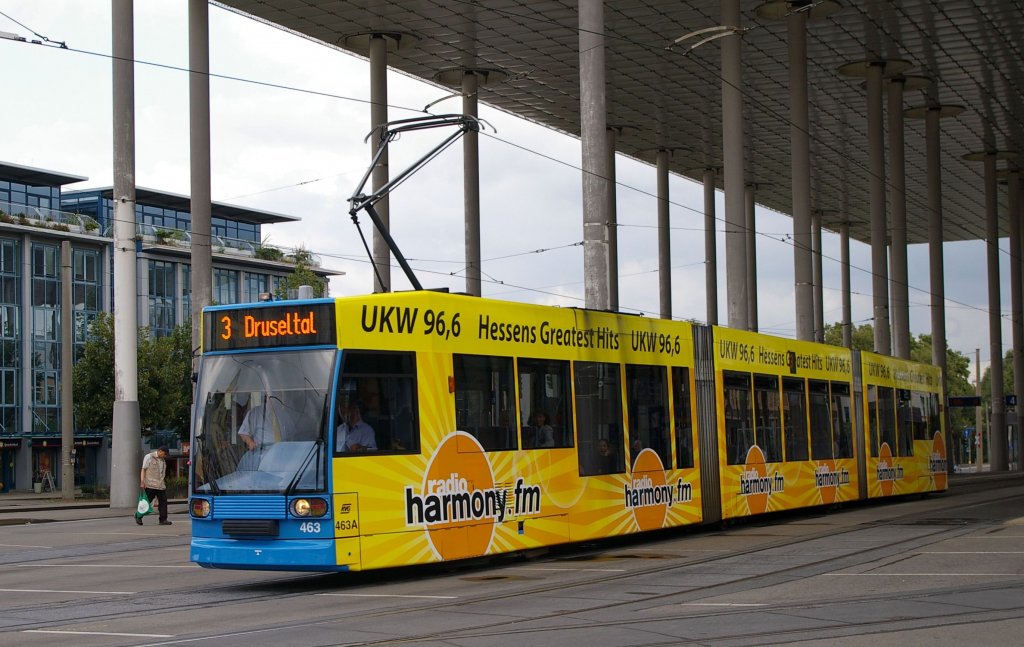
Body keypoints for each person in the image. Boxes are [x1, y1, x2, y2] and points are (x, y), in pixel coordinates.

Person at [137, 446, 171, 526]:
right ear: (160, 451)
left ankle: (163, 519)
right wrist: (142, 481)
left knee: (163, 501)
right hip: (150, 484)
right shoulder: (149, 457)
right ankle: (138, 516)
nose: (165, 456)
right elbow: (143, 469)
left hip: (160, 485)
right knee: (146, 502)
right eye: (164, 454)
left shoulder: (163, 461)